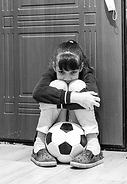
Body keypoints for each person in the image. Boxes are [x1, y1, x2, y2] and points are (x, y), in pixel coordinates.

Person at [31, 40, 103, 168]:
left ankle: (93, 145)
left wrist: (57, 101)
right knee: (57, 85)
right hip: (57, 122)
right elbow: (37, 93)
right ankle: (39, 143)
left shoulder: (86, 74)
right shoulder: (51, 73)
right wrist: (74, 98)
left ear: (80, 67)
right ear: (54, 67)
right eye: (62, 72)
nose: (67, 77)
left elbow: (93, 99)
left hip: (79, 124)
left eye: (73, 73)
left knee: (77, 85)